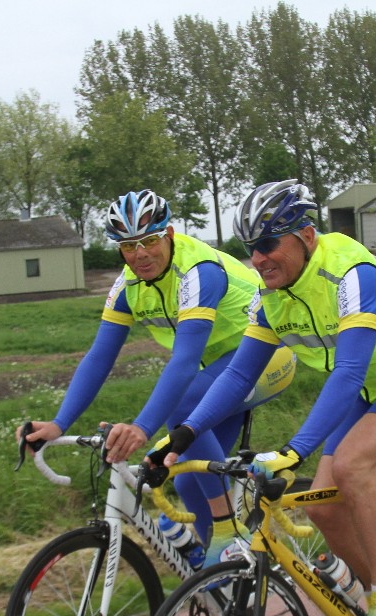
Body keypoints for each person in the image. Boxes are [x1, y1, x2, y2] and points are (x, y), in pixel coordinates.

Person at [152, 179, 376, 616]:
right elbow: (239, 375)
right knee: (323, 507)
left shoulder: (353, 275)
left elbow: (349, 371)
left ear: (307, 236)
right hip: (370, 390)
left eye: (268, 244)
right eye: (251, 248)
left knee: (353, 468)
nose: (258, 259)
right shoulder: (271, 297)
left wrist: (294, 451)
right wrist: (184, 433)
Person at [18, 189, 296, 566]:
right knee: (188, 480)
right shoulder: (128, 286)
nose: (141, 254)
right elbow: (100, 357)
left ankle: (228, 531)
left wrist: (141, 428)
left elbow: (185, 361)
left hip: (266, 358)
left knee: (183, 408)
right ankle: (228, 576)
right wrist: (58, 422)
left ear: (170, 234)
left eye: (149, 240)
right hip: (216, 373)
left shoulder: (198, 271)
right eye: (128, 246)